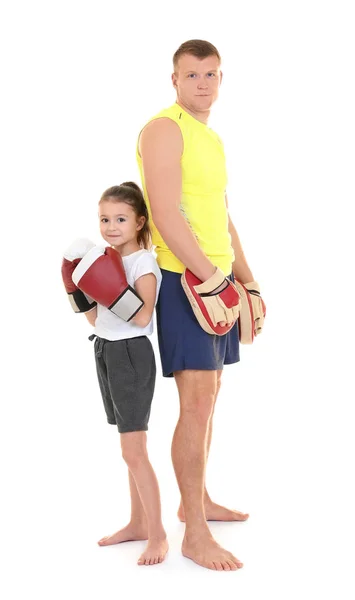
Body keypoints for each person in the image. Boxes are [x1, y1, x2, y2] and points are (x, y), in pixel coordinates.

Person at [136, 40, 265, 571]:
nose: (203, 84)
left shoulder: (209, 137)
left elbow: (222, 215)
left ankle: (199, 499)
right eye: (192, 75)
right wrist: (213, 280)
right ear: (174, 80)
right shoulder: (164, 129)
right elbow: (164, 213)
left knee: (209, 398)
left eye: (211, 74)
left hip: (216, 280)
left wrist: (248, 282)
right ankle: (193, 532)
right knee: (195, 403)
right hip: (185, 280)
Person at [63, 182, 168, 566]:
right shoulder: (103, 259)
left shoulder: (143, 263)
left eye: (120, 219)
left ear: (140, 222)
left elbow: (141, 316)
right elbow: (97, 319)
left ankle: (158, 535)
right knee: (130, 451)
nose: (110, 226)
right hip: (105, 348)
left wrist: (103, 282)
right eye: (104, 219)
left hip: (131, 355)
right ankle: (138, 523)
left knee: (134, 450)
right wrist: (75, 286)